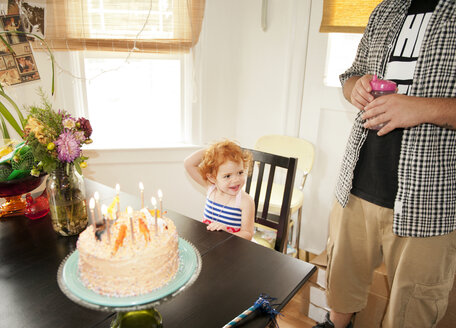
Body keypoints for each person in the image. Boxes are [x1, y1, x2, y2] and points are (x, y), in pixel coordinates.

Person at [314, 0, 456, 327]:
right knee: (341, 280)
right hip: (357, 182)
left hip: (428, 198)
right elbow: (350, 76)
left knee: (414, 305)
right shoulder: (386, 9)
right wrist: (356, 89)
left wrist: (423, 109)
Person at [184, 140, 255, 240]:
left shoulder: (245, 201)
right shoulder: (211, 188)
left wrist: (227, 233)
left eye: (240, 172)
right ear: (213, 178)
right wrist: (213, 151)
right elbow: (188, 164)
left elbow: (248, 234)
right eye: (227, 176)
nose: (236, 180)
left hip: (233, 247)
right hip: (209, 243)